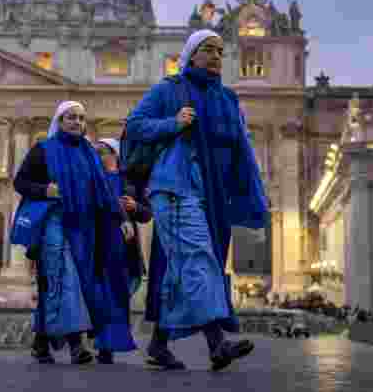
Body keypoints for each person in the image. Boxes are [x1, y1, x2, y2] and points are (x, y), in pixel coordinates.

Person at [125, 29, 268, 371]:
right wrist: (173, 123)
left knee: (182, 268)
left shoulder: (228, 99)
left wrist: (250, 193)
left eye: (221, 50)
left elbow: (241, 150)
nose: (217, 56)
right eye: (208, 50)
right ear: (191, 55)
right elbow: (134, 126)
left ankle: (159, 344)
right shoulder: (168, 90)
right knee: (198, 257)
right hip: (176, 184)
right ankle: (218, 342)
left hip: (212, 191)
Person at [14, 102, 129, 365]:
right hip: (55, 222)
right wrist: (45, 191)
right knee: (66, 278)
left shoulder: (89, 152)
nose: (77, 122)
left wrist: (120, 217)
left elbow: (103, 189)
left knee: (60, 283)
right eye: (71, 117)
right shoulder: (43, 149)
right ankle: (77, 344)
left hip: (85, 228)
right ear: (60, 120)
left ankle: (41, 343)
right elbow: (20, 182)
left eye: (80, 118)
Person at [93, 137, 152, 364]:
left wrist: (135, 206)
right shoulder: (92, 180)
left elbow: (146, 215)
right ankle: (104, 346)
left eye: (101, 152)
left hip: (124, 248)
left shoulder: (130, 181)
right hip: (99, 243)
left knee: (119, 297)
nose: (97, 157)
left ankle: (112, 342)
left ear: (114, 154)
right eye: (94, 153)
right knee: (104, 296)